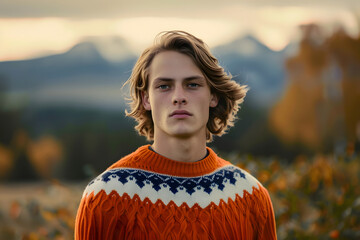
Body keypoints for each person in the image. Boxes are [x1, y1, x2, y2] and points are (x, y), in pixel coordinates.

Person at [75, 30, 277, 239]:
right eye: (164, 86)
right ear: (146, 99)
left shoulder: (250, 196)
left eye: (192, 85)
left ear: (213, 96)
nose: (179, 97)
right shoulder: (105, 196)